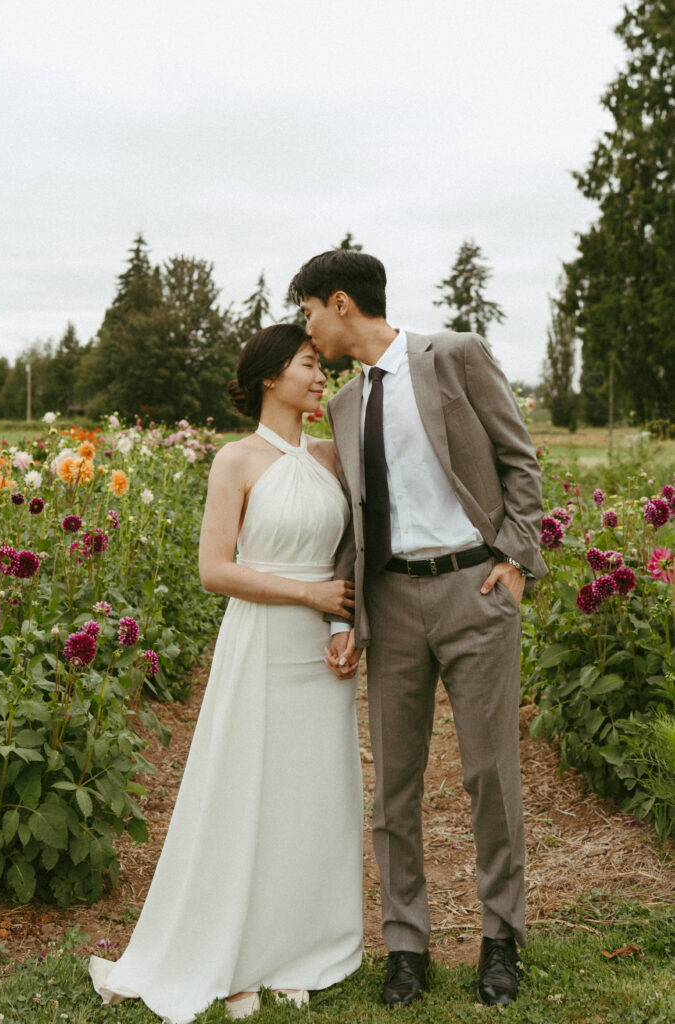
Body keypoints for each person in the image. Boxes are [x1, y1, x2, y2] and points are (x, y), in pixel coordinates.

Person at [288, 249, 546, 1008]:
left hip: (475, 587)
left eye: (308, 310)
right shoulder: (341, 404)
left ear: (340, 303)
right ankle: (407, 946)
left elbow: (518, 459)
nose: (306, 326)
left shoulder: (454, 356)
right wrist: (346, 613)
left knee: (488, 775)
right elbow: (355, 521)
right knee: (392, 787)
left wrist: (515, 559)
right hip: (392, 603)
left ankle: (500, 941)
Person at [89, 324, 363, 1023]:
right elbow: (215, 571)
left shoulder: (334, 457)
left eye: (319, 366)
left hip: (322, 650)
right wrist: (307, 597)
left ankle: (298, 946)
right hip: (262, 638)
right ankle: (231, 951)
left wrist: (341, 624)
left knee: (313, 794)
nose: (318, 376)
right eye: (307, 365)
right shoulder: (235, 461)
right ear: (271, 376)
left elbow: (347, 558)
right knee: (247, 788)